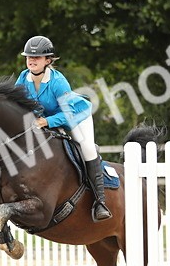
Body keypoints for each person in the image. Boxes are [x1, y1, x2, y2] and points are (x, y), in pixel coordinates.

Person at [14, 35, 111, 221]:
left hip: (75, 117)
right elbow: (18, 106)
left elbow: (68, 114)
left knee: (87, 147)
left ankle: (100, 201)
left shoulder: (58, 82)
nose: (31, 60)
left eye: (36, 57)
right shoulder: (22, 78)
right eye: (28, 57)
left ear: (48, 60)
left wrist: (46, 122)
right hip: (45, 119)